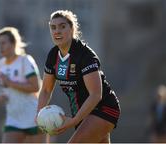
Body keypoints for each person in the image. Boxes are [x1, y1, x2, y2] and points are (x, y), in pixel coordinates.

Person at [37, 10, 121, 143]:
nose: (57, 31)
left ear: (71, 29)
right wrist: (40, 116)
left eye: (62, 26)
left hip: (103, 109)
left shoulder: (85, 55)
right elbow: (46, 90)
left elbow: (96, 94)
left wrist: (73, 121)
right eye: (53, 27)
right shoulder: (53, 56)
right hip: (81, 114)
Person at [0, 27, 46, 143]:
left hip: (32, 117)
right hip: (13, 119)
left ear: (13, 44)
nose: (0, 47)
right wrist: (1, 97)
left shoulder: (25, 61)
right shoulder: (1, 64)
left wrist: (11, 83)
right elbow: (4, 89)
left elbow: (36, 87)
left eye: (3, 43)